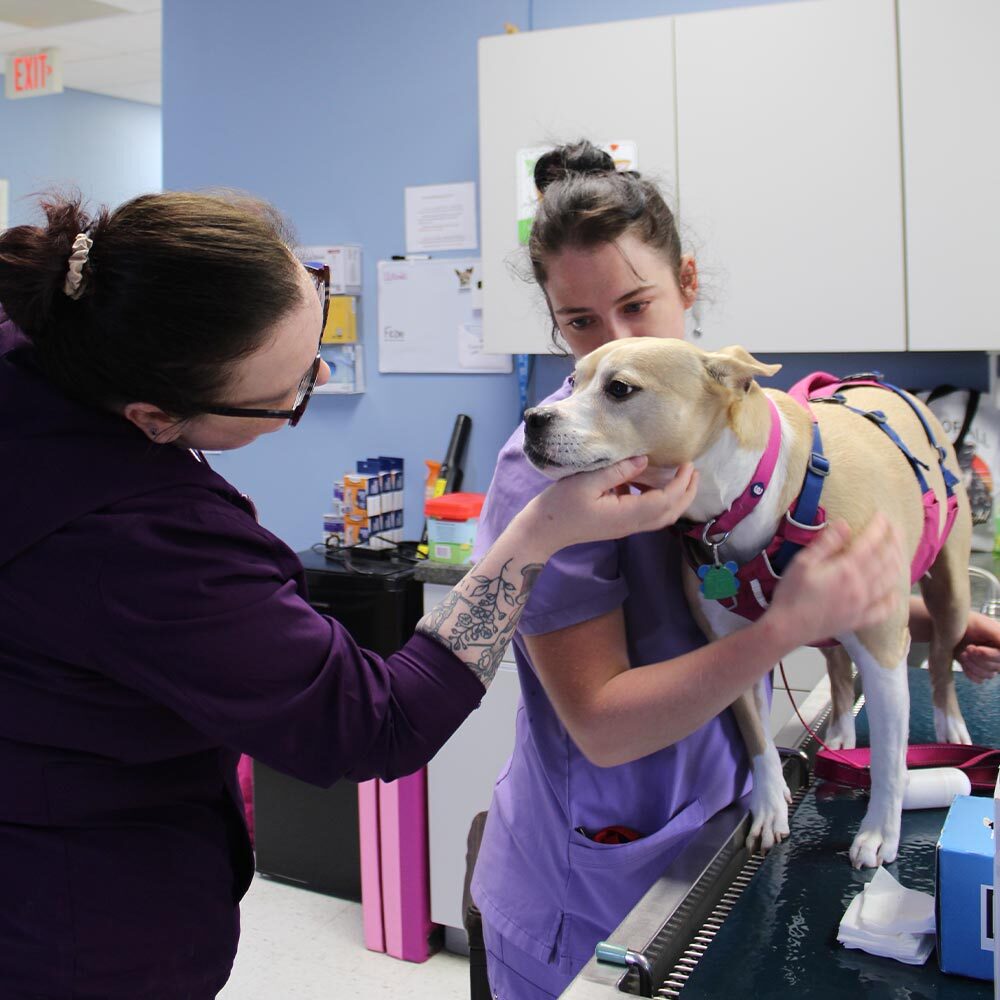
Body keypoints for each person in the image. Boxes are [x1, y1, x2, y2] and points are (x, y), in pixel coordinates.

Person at [0, 190, 701, 998]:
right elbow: (382, 722)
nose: (325, 374)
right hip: (75, 933)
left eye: (318, 307)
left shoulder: (51, 346)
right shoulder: (137, 543)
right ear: (155, 419)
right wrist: (535, 537)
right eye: (296, 393)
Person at [471, 140, 1000, 999]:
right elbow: (602, 725)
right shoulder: (549, 473)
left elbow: (777, 580)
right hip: (591, 882)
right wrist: (785, 634)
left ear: (688, 283)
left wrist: (937, 622)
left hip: (720, 825)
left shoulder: (726, 444)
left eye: (638, 305)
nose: (618, 341)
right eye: (581, 324)